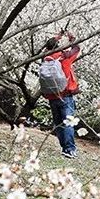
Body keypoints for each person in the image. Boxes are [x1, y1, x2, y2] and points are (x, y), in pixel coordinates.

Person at [42, 30, 81, 158]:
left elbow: (49, 44)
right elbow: (76, 48)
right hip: (65, 94)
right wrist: (71, 37)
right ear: (58, 46)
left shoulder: (45, 58)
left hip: (52, 95)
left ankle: (64, 148)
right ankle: (69, 149)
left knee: (58, 123)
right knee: (68, 122)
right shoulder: (64, 57)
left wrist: (57, 36)